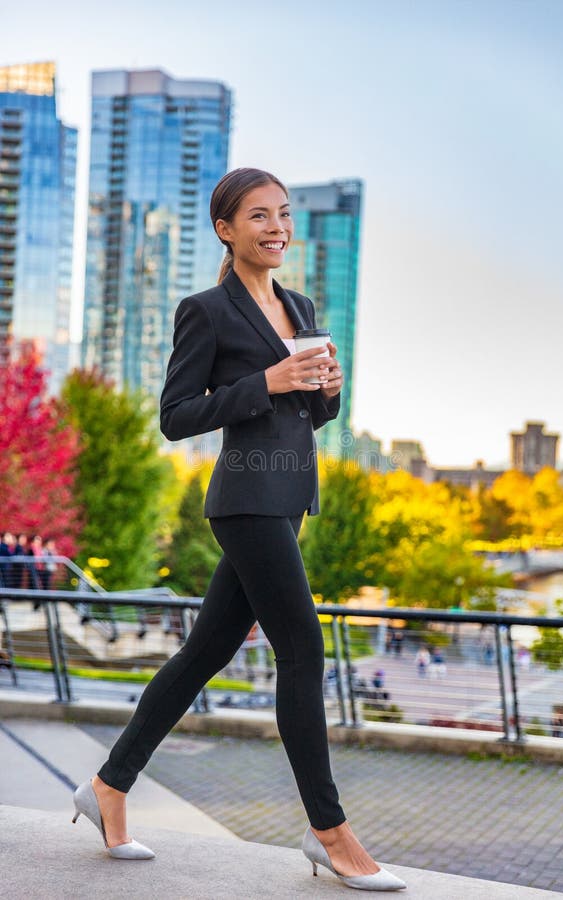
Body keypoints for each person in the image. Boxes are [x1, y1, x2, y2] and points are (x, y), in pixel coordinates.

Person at [72, 168, 406, 892]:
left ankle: (108, 786)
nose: (277, 227)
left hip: (290, 498)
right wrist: (267, 383)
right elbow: (176, 415)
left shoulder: (300, 304)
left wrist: (328, 392)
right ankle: (329, 832)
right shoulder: (206, 311)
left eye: (283, 215)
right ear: (226, 229)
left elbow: (313, 417)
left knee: (203, 654)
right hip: (245, 496)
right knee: (303, 647)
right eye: (259, 216)